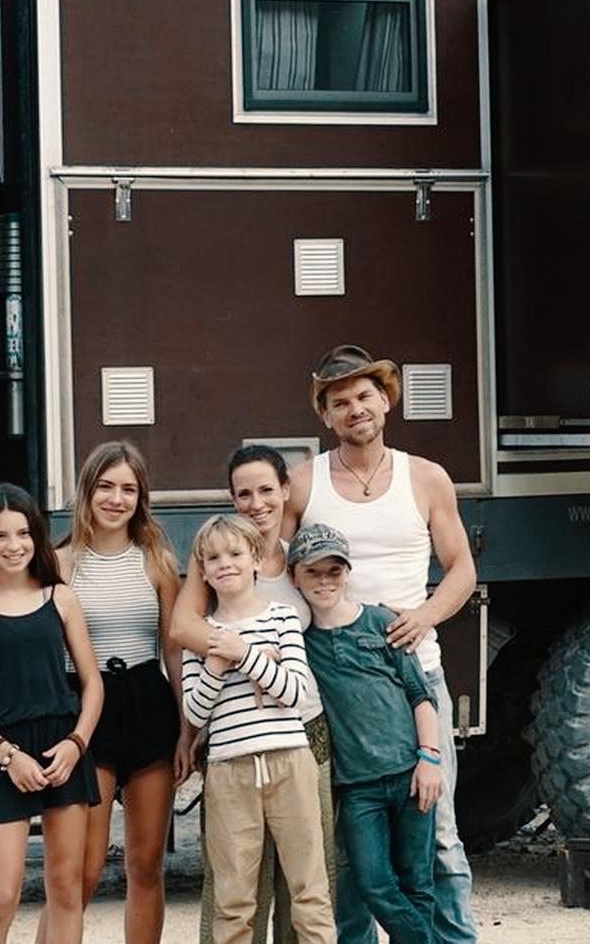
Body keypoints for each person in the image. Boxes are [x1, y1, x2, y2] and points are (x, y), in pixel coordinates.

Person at [172, 344, 478, 944]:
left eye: (365, 396)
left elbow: (462, 567)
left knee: (438, 832)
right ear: (325, 414)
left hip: (413, 673)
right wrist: (235, 646)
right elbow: (264, 562)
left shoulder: (426, 478)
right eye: (340, 402)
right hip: (328, 686)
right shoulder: (306, 484)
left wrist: (423, 616)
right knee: (342, 843)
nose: (355, 409)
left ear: (385, 400)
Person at [0, 442, 184, 944]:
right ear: (86, 491)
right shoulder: (58, 562)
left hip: (147, 701)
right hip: (83, 709)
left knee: (146, 865)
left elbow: (172, 650)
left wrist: (187, 727)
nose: (116, 499)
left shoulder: (159, 561)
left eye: (128, 489)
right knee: (81, 872)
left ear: (141, 497)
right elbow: (9, 595)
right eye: (106, 486)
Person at [0, 483, 104, 944]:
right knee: (1, 895)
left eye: (23, 533)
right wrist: (7, 755)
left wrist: (76, 744)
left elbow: (92, 683)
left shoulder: (60, 598)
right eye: (0, 535)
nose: (14, 545)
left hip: (62, 748)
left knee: (66, 889)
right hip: (3, 753)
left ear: (37, 535)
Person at [197, 446, 336, 944]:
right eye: (244, 494)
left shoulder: (304, 555)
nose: (256, 503)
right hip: (233, 749)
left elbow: (300, 680)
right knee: (236, 889)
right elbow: (187, 637)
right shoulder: (215, 557)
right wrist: (228, 656)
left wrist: (247, 656)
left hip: (299, 737)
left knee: (310, 883)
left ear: (285, 490)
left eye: (266, 490)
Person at [290, 523, 441, 944]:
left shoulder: (381, 623)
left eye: (333, 571)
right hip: (358, 787)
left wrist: (430, 758)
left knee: (417, 881)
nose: (324, 581)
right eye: (312, 571)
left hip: (411, 774)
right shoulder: (302, 643)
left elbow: (420, 695)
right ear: (295, 577)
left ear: (347, 573)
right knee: (373, 883)